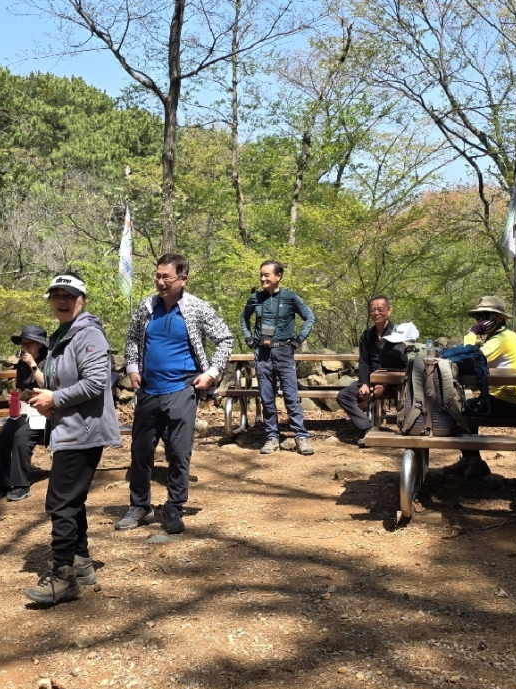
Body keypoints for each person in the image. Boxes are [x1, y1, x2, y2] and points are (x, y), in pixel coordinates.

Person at [119, 253, 235, 535]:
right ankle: (140, 506)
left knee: (178, 451)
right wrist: (132, 367)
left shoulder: (197, 308)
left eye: (166, 278)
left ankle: (174, 507)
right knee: (140, 450)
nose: (160, 282)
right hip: (148, 389)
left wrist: (211, 373)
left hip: (182, 388)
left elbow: (225, 338)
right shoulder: (147, 307)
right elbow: (132, 337)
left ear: (183, 279)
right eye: (157, 276)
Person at [24, 272, 121, 605]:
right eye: (56, 296)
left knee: (61, 502)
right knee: (72, 499)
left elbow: (96, 382)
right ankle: (81, 562)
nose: (62, 301)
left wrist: (55, 399)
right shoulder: (61, 336)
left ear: (83, 300)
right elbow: (61, 382)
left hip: (84, 430)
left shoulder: (88, 334)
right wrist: (44, 395)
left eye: (69, 296)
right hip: (68, 428)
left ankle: (63, 574)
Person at [439, 296, 516, 479]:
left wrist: (471, 333)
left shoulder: (504, 338)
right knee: (464, 408)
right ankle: (469, 460)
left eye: (485, 316)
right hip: (508, 399)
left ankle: (474, 461)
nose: (480, 320)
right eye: (478, 316)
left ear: (499, 318)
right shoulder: (498, 337)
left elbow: (469, 357)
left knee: (459, 412)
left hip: (512, 403)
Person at [240, 260, 317, 455]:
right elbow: (244, 318)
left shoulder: (291, 298)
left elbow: (309, 317)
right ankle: (272, 437)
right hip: (262, 353)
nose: (262, 278)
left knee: (291, 396)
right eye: (261, 274)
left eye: (266, 275)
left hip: (284, 352)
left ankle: (301, 437)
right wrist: (248, 337)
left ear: (278, 276)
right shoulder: (255, 298)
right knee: (267, 396)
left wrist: (298, 340)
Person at [0, 325, 49, 503]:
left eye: (29, 343)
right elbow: (21, 387)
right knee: (3, 437)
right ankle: (2, 483)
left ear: (39, 345)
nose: (25, 347)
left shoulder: (49, 360)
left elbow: (46, 384)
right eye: (23, 343)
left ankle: (21, 484)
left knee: (22, 438)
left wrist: (32, 364)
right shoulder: (21, 363)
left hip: (43, 413)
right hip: (24, 410)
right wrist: (17, 396)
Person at [336, 295, 397, 444]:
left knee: (408, 394)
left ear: (389, 311)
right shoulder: (367, 335)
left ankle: (407, 432)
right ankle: (368, 428)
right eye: (373, 310)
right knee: (343, 396)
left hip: (394, 381)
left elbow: (401, 364)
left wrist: (384, 384)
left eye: (380, 309)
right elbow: (363, 362)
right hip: (371, 378)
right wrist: (364, 383)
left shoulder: (398, 333)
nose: (376, 313)